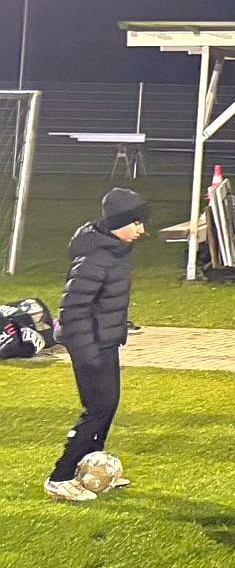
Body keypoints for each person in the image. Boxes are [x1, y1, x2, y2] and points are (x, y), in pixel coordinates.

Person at [45, 188, 147, 502]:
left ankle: (92, 469)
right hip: (90, 347)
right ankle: (60, 477)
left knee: (107, 406)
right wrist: (88, 354)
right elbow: (73, 310)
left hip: (105, 342)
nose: (142, 230)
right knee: (97, 408)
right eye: (136, 223)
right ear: (117, 222)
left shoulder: (115, 252)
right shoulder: (94, 257)